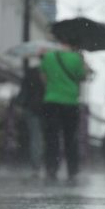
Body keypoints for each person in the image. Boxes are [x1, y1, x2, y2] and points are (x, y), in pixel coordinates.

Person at [40, 45, 87, 181]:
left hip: (51, 101)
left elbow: (43, 77)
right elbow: (82, 77)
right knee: (70, 137)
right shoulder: (76, 58)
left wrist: (53, 87)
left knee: (51, 137)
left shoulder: (48, 57)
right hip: (70, 102)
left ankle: (51, 168)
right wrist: (82, 63)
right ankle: (72, 169)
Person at [19, 64, 45, 174]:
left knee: (35, 136)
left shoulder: (28, 75)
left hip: (31, 109)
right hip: (42, 109)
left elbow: (23, 93)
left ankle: (36, 163)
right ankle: (39, 162)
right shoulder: (44, 76)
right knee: (39, 137)